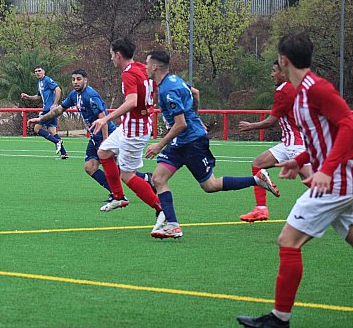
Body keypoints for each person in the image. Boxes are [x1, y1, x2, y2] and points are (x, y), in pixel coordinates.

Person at [237, 32, 353, 328]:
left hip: (336, 181)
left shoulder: (317, 89)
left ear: (284, 60)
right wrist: (299, 161)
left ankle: (279, 319)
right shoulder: (299, 92)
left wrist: (325, 170)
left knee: (288, 240)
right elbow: (318, 138)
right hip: (340, 179)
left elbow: (348, 126)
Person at [144, 50, 280, 239]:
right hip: (182, 141)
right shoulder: (175, 80)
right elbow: (196, 93)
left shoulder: (167, 89)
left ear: (155, 66)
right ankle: (173, 225)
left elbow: (181, 123)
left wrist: (159, 145)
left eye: (146, 63)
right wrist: (195, 116)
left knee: (210, 185)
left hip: (191, 142)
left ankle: (257, 180)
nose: (145, 67)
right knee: (158, 178)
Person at [28, 69, 154, 200]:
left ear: (85, 80)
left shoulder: (90, 95)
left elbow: (103, 118)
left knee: (112, 169)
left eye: (79, 79)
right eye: (73, 79)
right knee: (90, 167)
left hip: (107, 134)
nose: (75, 82)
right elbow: (59, 110)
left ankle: (119, 194)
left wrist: (106, 141)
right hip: (95, 136)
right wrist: (41, 119)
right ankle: (143, 179)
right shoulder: (74, 95)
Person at [91, 38, 163, 218]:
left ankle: (162, 210)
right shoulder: (140, 67)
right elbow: (154, 92)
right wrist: (148, 108)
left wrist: (105, 119)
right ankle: (118, 196)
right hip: (130, 126)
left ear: (118, 54)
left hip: (135, 130)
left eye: (111, 55)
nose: (112, 59)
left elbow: (131, 102)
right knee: (104, 152)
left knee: (127, 175)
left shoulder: (129, 73)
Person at [237, 60, 311, 222]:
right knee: (257, 163)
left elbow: (271, 121)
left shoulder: (284, 90)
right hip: (289, 143)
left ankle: (343, 202)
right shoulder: (295, 86)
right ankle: (261, 209)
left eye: (274, 71)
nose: (272, 74)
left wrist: (250, 126)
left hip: (296, 145)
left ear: (283, 73)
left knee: (313, 181)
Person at [21, 65, 68, 159]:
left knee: (36, 129)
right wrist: (28, 97)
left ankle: (57, 142)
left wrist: (54, 104)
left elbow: (58, 89)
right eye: (36, 71)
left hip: (48, 109)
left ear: (44, 72)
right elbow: (38, 96)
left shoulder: (47, 80)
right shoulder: (40, 83)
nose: (37, 72)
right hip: (49, 109)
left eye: (39, 70)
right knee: (52, 131)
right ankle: (64, 153)